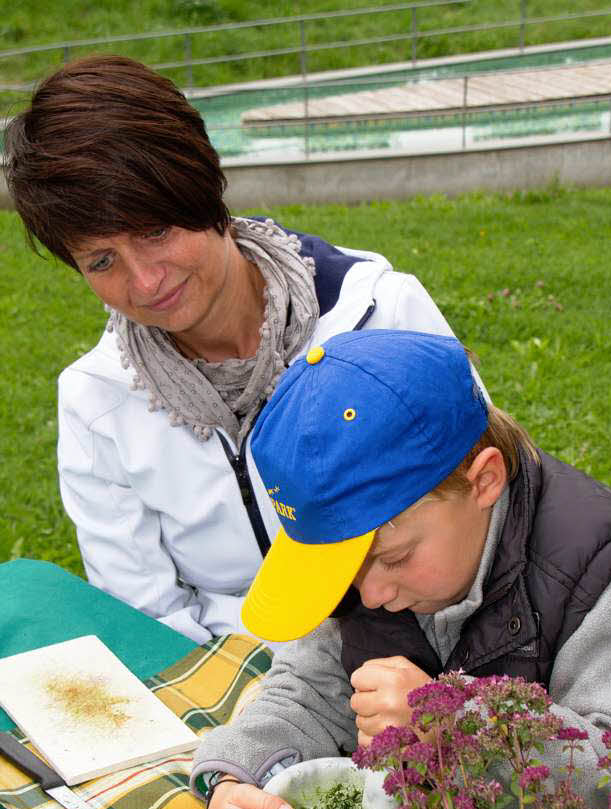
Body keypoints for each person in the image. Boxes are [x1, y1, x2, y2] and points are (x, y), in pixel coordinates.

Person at [190, 328, 611, 809]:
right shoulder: (369, 570)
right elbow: (308, 686)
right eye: (343, 574)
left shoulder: (598, 572)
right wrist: (236, 780)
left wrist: (455, 730)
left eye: (395, 558)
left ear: (484, 481)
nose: (369, 596)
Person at [3, 56, 476, 644]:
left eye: (156, 231)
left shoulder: (382, 314)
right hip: (234, 682)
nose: (146, 282)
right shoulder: (94, 401)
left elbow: (484, 519)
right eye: (102, 261)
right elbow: (150, 620)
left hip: (422, 656)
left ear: (205, 192)